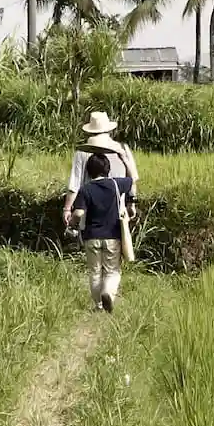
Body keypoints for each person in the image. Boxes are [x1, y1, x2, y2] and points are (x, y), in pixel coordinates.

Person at [70, 152, 135, 312]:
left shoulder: (85, 189)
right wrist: (126, 161)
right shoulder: (115, 184)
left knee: (95, 271)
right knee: (112, 270)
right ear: (108, 169)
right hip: (112, 235)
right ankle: (108, 293)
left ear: (88, 171)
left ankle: (99, 305)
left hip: (91, 237)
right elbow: (132, 179)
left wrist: (72, 222)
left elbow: (78, 213)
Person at [62, 110, 138, 227]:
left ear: (90, 132)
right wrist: (131, 203)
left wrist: (67, 209)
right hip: (118, 214)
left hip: (89, 217)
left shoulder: (82, 152)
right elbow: (132, 179)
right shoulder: (122, 149)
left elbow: (74, 185)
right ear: (109, 130)